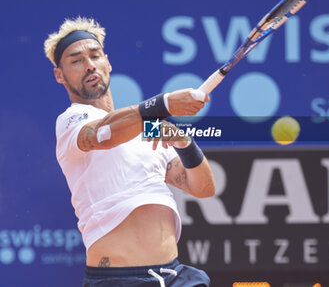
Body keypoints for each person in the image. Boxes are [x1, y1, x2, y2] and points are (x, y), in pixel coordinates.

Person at [44, 17, 215, 287]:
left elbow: (203, 188)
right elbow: (103, 134)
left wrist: (184, 142)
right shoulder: (71, 121)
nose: (89, 64)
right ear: (59, 75)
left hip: (175, 276)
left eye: (95, 55)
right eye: (76, 60)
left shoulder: (146, 129)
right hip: (118, 280)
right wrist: (166, 103)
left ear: (107, 62)